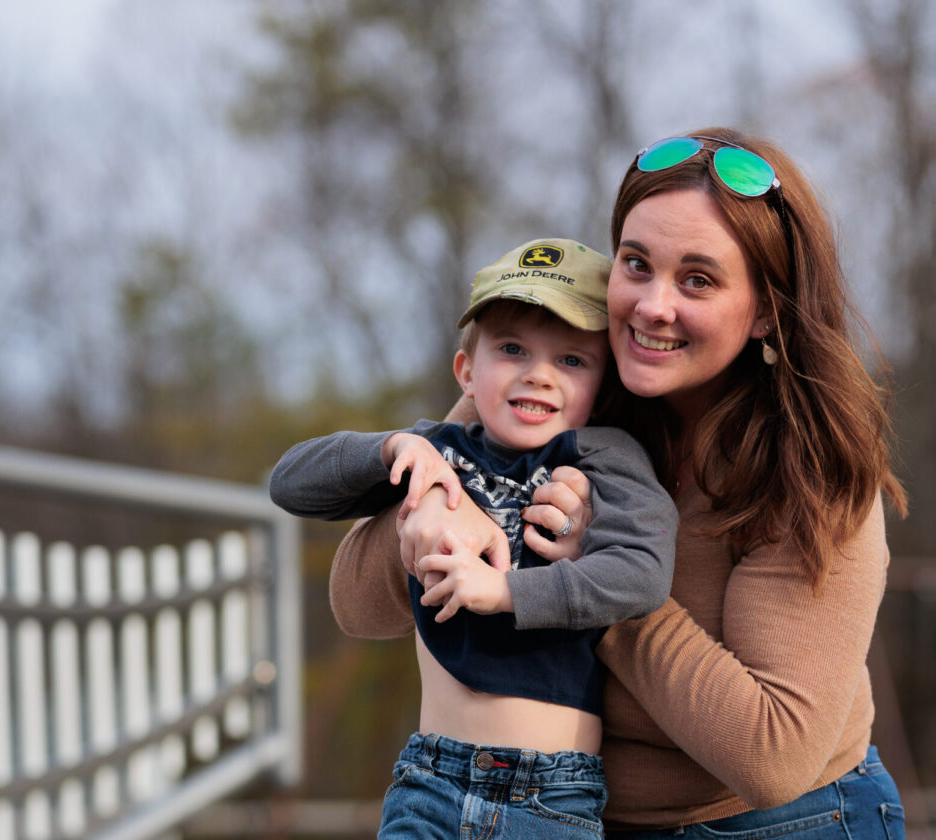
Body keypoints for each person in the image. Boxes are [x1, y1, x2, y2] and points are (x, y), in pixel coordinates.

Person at [329, 129, 910, 839]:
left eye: (697, 279)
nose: (651, 306)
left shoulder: (810, 468)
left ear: (764, 309)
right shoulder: (563, 381)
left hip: (788, 822)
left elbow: (773, 755)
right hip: (570, 814)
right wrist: (424, 520)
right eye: (637, 265)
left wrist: (595, 572)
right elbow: (357, 606)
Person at [270, 237, 677, 839]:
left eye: (571, 360)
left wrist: (505, 592)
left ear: (602, 385)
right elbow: (290, 484)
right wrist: (393, 447)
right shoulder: (439, 451)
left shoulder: (606, 458)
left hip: (551, 792)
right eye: (512, 348)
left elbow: (642, 572)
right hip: (430, 779)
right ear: (468, 369)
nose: (538, 374)